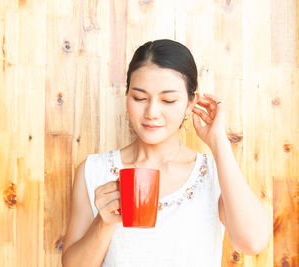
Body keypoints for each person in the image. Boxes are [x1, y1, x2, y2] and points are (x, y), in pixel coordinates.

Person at [61, 39, 272, 267]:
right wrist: (102, 223)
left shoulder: (213, 173)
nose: (152, 112)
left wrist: (218, 141)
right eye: (139, 98)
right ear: (127, 96)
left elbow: (253, 242)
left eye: (168, 100)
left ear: (191, 103)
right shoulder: (94, 170)